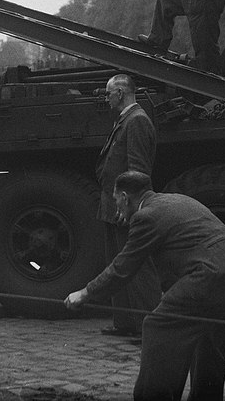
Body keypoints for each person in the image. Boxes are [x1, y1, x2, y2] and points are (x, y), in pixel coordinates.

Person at [65, 171, 225, 401]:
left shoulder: (145, 217)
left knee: (159, 326)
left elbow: (122, 267)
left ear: (125, 197)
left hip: (212, 275)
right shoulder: (178, 200)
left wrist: (85, 293)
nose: (116, 208)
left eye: (116, 200)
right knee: (211, 334)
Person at [95, 74, 160, 337]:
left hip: (125, 208)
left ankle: (150, 328)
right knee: (118, 265)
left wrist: (130, 208)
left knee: (138, 267)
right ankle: (125, 322)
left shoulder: (137, 122)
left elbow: (138, 171)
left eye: (109, 94)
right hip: (114, 206)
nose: (106, 98)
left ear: (120, 94)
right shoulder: (128, 120)